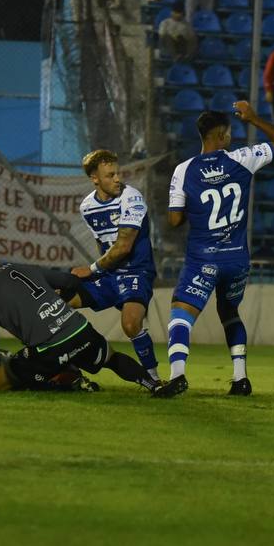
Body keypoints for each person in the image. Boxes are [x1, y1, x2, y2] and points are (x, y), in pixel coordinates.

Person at [155, 102, 274, 398]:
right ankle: (240, 378)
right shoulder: (242, 159)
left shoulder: (184, 170)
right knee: (229, 309)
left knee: (181, 312)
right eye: (230, 132)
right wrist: (254, 118)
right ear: (223, 135)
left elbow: (175, 219)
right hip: (237, 259)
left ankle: (178, 375)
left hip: (203, 259)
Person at [0, 241, 153, 394]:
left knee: (7, 378)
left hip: (48, 350)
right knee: (111, 358)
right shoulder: (21, 268)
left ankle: (67, 382)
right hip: (80, 331)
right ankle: (153, 384)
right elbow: (69, 281)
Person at [69, 149, 161, 384]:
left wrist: (92, 270)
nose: (118, 179)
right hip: (109, 275)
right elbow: (102, 243)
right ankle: (63, 364)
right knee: (59, 301)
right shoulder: (87, 206)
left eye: (117, 173)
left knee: (130, 324)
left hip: (136, 271)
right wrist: (98, 274)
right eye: (110, 175)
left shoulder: (131, 197)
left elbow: (123, 247)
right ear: (95, 179)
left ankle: (153, 377)